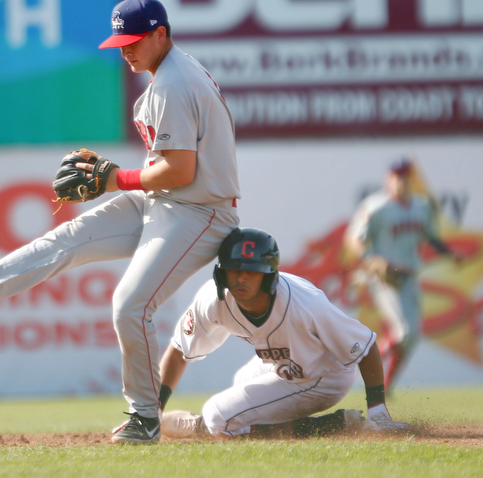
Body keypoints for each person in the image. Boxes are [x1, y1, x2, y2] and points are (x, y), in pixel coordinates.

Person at [0, 0, 240, 444]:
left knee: (130, 304)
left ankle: (145, 417)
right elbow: (171, 170)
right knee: (66, 239)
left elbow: (182, 171)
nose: (126, 50)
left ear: (161, 34)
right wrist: (117, 178)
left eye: (134, 41)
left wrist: (114, 178)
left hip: (201, 212)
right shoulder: (168, 74)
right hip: (167, 201)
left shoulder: (173, 83)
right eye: (120, 42)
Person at [158, 227, 408, 439]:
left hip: (323, 376)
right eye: (234, 269)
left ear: (269, 276)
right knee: (241, 384)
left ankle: (325, 426)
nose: (241, 278)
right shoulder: (213, 300)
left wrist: (378, 412)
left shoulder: (306, 305)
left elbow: (365, 345)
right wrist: (151, 412)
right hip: (279, 364)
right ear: (222, 273)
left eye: (252, 271)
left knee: (218, 417)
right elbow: (179, 351)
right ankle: (332, 423)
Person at [344, 159, 463, 392]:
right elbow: (354, 240)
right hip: (386, 276)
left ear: (412, 179)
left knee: (412, 336)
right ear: (388, 178)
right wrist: (372, 259)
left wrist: (450, 253)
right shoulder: (376, 206)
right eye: (397, 176)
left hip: (409, 274)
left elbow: (431, 236)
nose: (401, 181)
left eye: (405, 176)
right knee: (405, 333)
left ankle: (385, 385)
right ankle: (358, 365)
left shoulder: (422, 206)